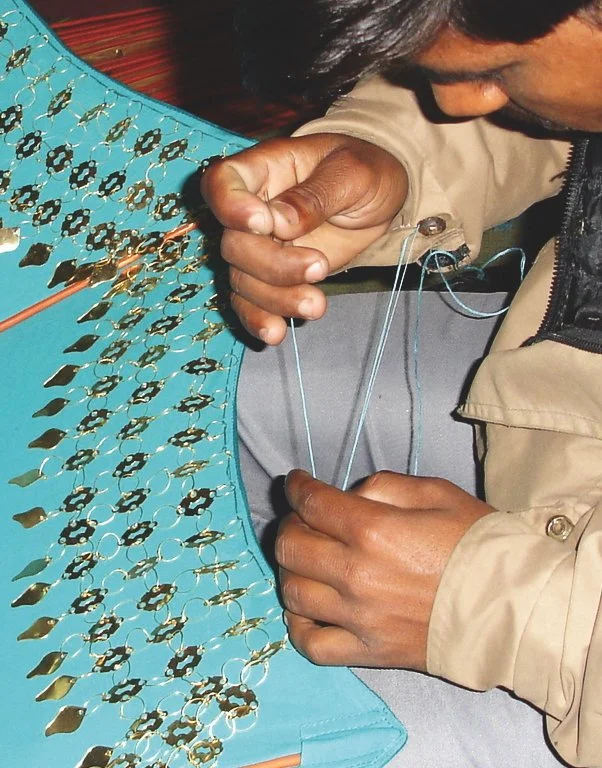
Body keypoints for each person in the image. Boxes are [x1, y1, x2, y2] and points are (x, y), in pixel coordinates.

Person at [201, 1, 602, 765]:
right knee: (220, 382)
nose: (451, 98)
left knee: (242, 735)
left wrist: (501, 609)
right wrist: (390, 157)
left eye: (493, 72)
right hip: (573, 389)